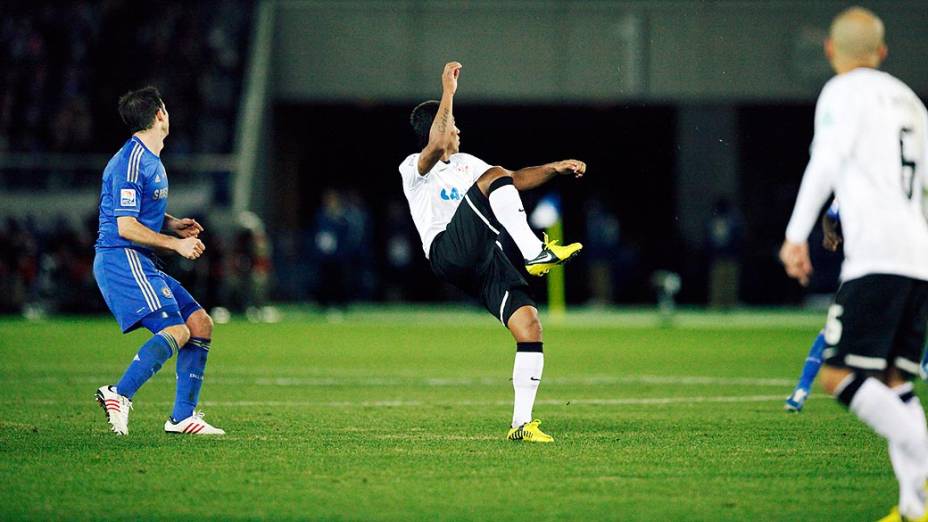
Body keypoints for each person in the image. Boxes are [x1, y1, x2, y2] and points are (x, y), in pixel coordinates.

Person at [779, 8, 928, 520]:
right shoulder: (910, 101)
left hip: (878, 256)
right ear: (883, 52)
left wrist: (796, 235)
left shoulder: (843, 92)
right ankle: (915, 507)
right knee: (894, 384)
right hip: (917, 256)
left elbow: (826, 159)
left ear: (830, 51)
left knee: (839, 376)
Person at [400, 62, 585, 443]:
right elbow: (437, 145)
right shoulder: (414, 170)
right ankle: (535, 252)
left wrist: (554, 167)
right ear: (438, 125)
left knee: (529, 325)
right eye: (453, 124)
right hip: (448, 253)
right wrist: (448, 91)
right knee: (493, 177)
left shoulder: (469, 165)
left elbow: (512, 180)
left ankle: (521, 424)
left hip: (484, 259)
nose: (458, 129)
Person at [93, 86, 224, 436]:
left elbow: (140, 212)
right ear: (160, 114)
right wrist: (175, 245)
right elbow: (126, 225)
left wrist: (172, 224)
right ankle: (118, 393)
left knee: (200, 324)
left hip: (141, 259)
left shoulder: (149, 158)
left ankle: (183, 417)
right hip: (122, 258)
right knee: (176, 330)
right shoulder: (131, 161)